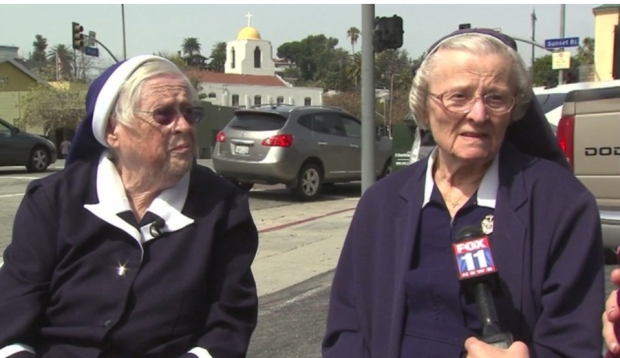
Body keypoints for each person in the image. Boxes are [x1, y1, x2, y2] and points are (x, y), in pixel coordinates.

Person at [322, 28, 604, 358]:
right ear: (424, 109)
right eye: (459, 97)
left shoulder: (561, 204)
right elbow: (347, 327)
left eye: (496, 98)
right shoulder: (381, 203)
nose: (478, 114)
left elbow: (574, 343)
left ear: (514, 110)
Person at [0, 55, 259, 357]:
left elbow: (229, 324)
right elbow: (11, 314)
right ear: (113, 130)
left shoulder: (223, 207)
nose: (184, 126)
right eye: (164, 114)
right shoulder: (53, 200)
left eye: (190, 112)